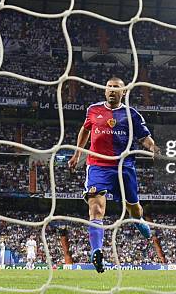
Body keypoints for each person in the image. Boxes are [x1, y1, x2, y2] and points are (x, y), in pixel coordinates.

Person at [68, 77, 160, 273]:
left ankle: (138, 220)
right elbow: (84, 131)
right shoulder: (93, 110)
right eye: (109, 86)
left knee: (134, 209)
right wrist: (77, 154)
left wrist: (153, 148)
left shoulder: (131, 114)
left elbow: (144, 138)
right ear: (104, 90)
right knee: (96, 208)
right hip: (97, 166)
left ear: (124, 92)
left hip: (123, 167)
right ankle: (97, 252)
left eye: (116, 87)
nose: (111, 90)